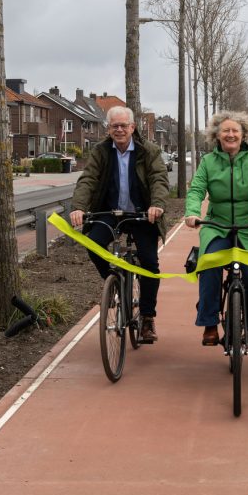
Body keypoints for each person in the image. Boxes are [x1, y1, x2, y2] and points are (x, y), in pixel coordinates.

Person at [185, 111, 248, 348]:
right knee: (208, 265)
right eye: (225, 131)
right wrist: (192, 212)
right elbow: (197, 189)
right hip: (216, 225)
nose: (230, 134)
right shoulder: (208, 162)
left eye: (235, 131)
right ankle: (209, 324)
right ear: (217, 135)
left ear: (243, 135)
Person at [69, 106, 169, 341]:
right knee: (92, 244)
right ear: (109, 129)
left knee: (149, 263)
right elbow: (88, 179)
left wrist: (157, 204)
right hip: (110, 212)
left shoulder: (149, 151)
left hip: (142, 214)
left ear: (133, 127)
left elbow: (158, 179)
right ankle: (114, 282)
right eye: (115, 126)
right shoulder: (101, 151)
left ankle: (147, 317)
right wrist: (79, 207)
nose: (120, 129)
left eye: (124, 125)